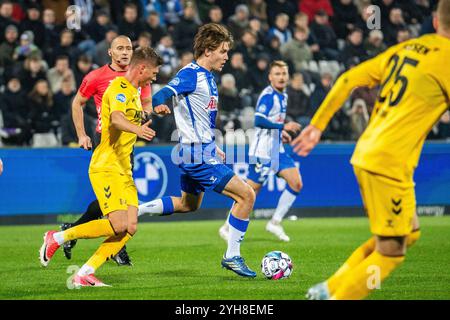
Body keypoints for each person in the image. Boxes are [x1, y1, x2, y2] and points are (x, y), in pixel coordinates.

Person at [291, 0, 450, 300]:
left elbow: (348, 78)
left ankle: (329, 289)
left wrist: (317, 125)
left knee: (409, 232)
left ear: (435, 20)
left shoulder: (407, 47)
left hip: (369, 151)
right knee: (391, 252)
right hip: (388, 161)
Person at [138, 23, 258, 278]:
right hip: (195, 154)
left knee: (186, 204)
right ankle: (232, 256)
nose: (226, 56)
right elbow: (162, 94)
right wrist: (155, 107)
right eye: (223, 51)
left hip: (200, 149)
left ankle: (134, 210)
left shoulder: (208, 78)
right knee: (246, 195)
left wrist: (212, 143)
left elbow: (200, 118)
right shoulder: (191, 73)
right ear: (207, 50)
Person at [39, 47, 163, 287]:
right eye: (154, 73)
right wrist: (139, 130)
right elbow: (117, 119)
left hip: (124, 167)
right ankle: (57, 236)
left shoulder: (135, 92)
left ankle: (84, 273)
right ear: (142, 68)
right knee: (118, 224)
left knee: (131, 227)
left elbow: (132, 116)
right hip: (106, 165)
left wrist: (152, 113)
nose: (154, 78)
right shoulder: (118, 88)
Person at [60, 36, 170, 265]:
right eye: (120, 48)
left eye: (129, 48)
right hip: (107, 139)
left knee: (113, 201)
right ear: (110, 52)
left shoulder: (142, 77)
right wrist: (81, 134)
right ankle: (108, 244)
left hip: (129, 139)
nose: (125, 52)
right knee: (114, 200)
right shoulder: (97, 77)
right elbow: (77, 103)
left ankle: (74, 230)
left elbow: (145, 108)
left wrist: (153, 111)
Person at [218, 61, 302, 242]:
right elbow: (259, 120)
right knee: (249, 191)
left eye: (284, 73)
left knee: (296, 183)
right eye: (277, 74)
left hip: (276, 149)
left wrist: (281, 133)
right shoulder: (268, 95)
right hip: (262, 152)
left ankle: (275, 222)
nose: (281, 77)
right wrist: (283, 126)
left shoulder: (283, 96)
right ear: (270, 77)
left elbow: (271, 124)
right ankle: (227, 226)